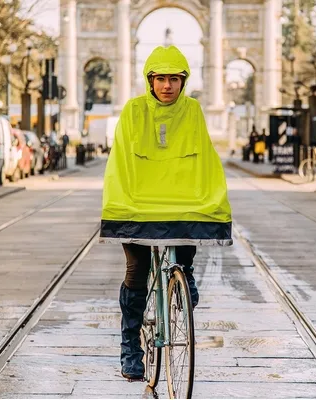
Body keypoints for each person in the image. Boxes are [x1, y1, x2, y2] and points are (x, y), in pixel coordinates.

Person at [100, 46, 232, 382]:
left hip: (179, 202)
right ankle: (131, 347)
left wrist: (214, 199)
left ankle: (184, 271)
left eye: (174, 78)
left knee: (192, 223)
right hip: (139, 203)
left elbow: (205, 161)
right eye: (161, 78)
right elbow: (121, 164)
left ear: (183, 81)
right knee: (137, 269)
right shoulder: (132, 111)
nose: (168, 85)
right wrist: (122, 203)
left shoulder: (194, 111)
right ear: (150, 80)